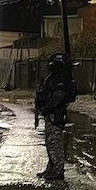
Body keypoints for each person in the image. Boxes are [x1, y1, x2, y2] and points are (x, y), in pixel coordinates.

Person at [33, 52, 77, 180]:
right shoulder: (55, 77)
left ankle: (57, 171)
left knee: (55, 143)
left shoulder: (60, 79)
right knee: (50, 142)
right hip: (51, 114)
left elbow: (59, 97)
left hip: (55, 115)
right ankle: (51, 168)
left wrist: (47, 108)